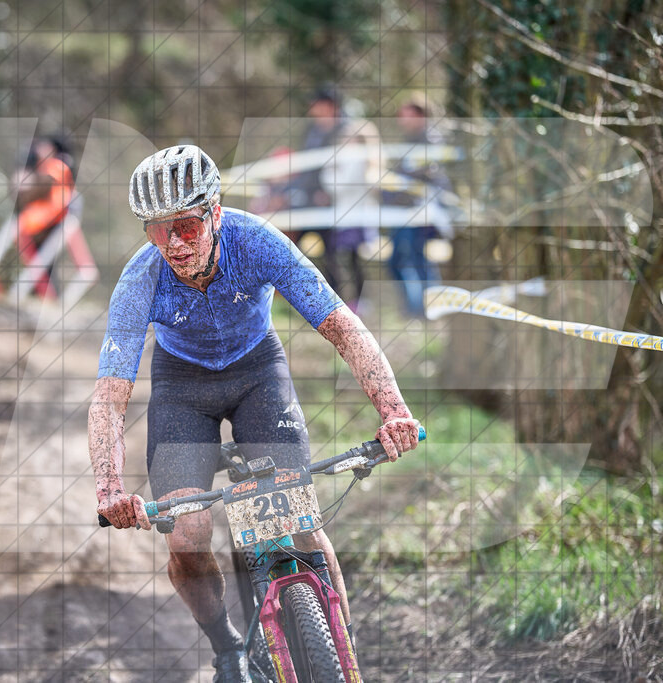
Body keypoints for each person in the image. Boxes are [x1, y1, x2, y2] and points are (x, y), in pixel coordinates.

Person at [89, 144, 419, 682]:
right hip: (182, 388)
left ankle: (341, 653)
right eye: (156, 230)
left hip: (257, 373)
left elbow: (342, 326)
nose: (172, 244)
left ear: (215, 212)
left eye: (187, 228)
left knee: (298, 519)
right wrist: (109, 488)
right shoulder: (139, 280)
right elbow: (110, 392)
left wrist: (394, 411)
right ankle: (227, 648)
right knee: (187, 536)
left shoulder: (258, 242)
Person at [296, 87, 381, 313]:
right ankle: (339, 301)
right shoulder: (313, 131)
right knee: (337, 257)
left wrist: (329, 175)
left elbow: (337, 182)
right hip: (335, 211)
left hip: (347, 214)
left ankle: (354, 302)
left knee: (350, 260)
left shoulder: (353, 151)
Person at [384, 96, 450, 318]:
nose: (403, 119)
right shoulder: (408, 140)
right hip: (402, 212)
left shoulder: (431, 141)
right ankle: (415, 310)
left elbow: (428, 176)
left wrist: (399, 183)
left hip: (419, 212)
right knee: (401, 260)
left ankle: (429, 310)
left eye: (408, 114)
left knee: (416, 259)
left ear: (421, 115)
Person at [10, 134, 75, 297]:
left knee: (46, 264)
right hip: (39, 223)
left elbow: (43, 186)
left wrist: (27, 181)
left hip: (50, 222)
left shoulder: (57, 167)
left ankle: (47, 295)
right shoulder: (45, 168)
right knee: (40, 264)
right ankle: (43, 295)